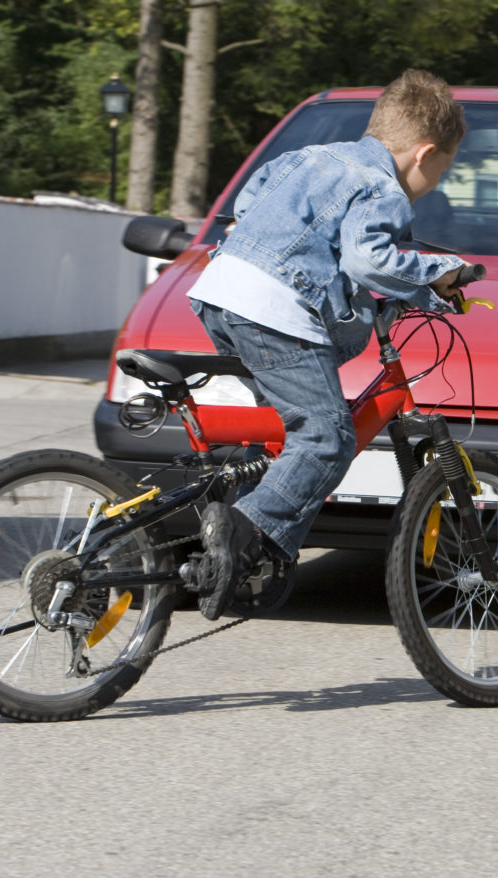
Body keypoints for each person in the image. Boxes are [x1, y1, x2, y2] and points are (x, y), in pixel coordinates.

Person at [185, 69, 469, 620]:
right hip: (270, 308)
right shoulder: (383, 185)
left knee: (281, 427)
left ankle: (239, 520)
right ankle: (242, 534)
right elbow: (369, 259)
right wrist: (439, 273)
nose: (436, 182)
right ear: (425, 153)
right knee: (326, 436)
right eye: (443, 170)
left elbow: (250, 205)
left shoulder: (310, 157)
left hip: (219, 293)